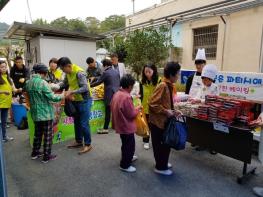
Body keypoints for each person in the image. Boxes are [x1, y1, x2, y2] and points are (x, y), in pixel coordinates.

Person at [25, 63, 64, 163]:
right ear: (44, 73)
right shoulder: (43, 83)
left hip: (35, 112)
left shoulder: (28, 82)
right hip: (46, 113)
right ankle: (47, 156)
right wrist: (63, 95)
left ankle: (35, 153)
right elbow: (52, 97)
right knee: (47, 135)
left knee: (37, 134)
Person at [148, 61, 182, 176]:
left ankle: (163, 163)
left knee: (166, 143)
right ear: (172, 75)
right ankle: (160, 167)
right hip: (158, 122)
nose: (179, 76)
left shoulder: (169, 85)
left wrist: (173, 111)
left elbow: (166, 103)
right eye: (178, 74)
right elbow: (152, 103)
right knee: (160, 145)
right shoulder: (162, 85)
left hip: (163, 120)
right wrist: (166, 111)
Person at [56, 57, 93, 154]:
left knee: (84, 123)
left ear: (68, 66)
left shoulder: (79, 73)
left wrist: (72, 91)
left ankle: (88, 144)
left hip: (84, 100)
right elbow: (64, 83)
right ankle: (79, 141)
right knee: (77, 121)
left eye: (63, 69)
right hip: (75, 100)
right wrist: (55, 86)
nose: (63, 71)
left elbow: (85, 88)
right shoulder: (68, 73)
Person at [111, 74, 141, 173]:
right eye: (132, 86)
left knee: (126, 144)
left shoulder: (117, 94)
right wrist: (138, 109)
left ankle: (129, 157)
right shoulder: (126, 97)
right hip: (126, 125)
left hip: (120, 124)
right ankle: (125, 165)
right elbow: (131, 114)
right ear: (129, 86)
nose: (132, 88)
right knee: (129, 145)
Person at [91, 59, 120, 134]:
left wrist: (89, 86)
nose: (102, 67)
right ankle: (117, 125)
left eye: (103, 66)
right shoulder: (116, 71)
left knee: (108, 111)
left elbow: (98, 82)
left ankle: (105, 128)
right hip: (117, 93)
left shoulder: (106, 72)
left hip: (109, 94)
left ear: (105, 65)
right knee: (116, 110)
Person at [139, 63, 161, 150]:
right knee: (146, 126)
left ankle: (156, 141)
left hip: (155, 108)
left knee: (155, 126)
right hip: (144, 107)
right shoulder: (142, 81)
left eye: (149, 71)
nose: (147, 73)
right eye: (145, 72)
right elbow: (141, 94)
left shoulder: (159, 81)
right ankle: (146, 141)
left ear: (154, 71)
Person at [0, 60, 21, 142]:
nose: (4, 68)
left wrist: (19, 89)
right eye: (2, 67)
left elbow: (14, 90)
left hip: (6, 103)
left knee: (4, 122)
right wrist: (3, 92)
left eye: (5, 67)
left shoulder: (9, 79)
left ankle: (4, 137)